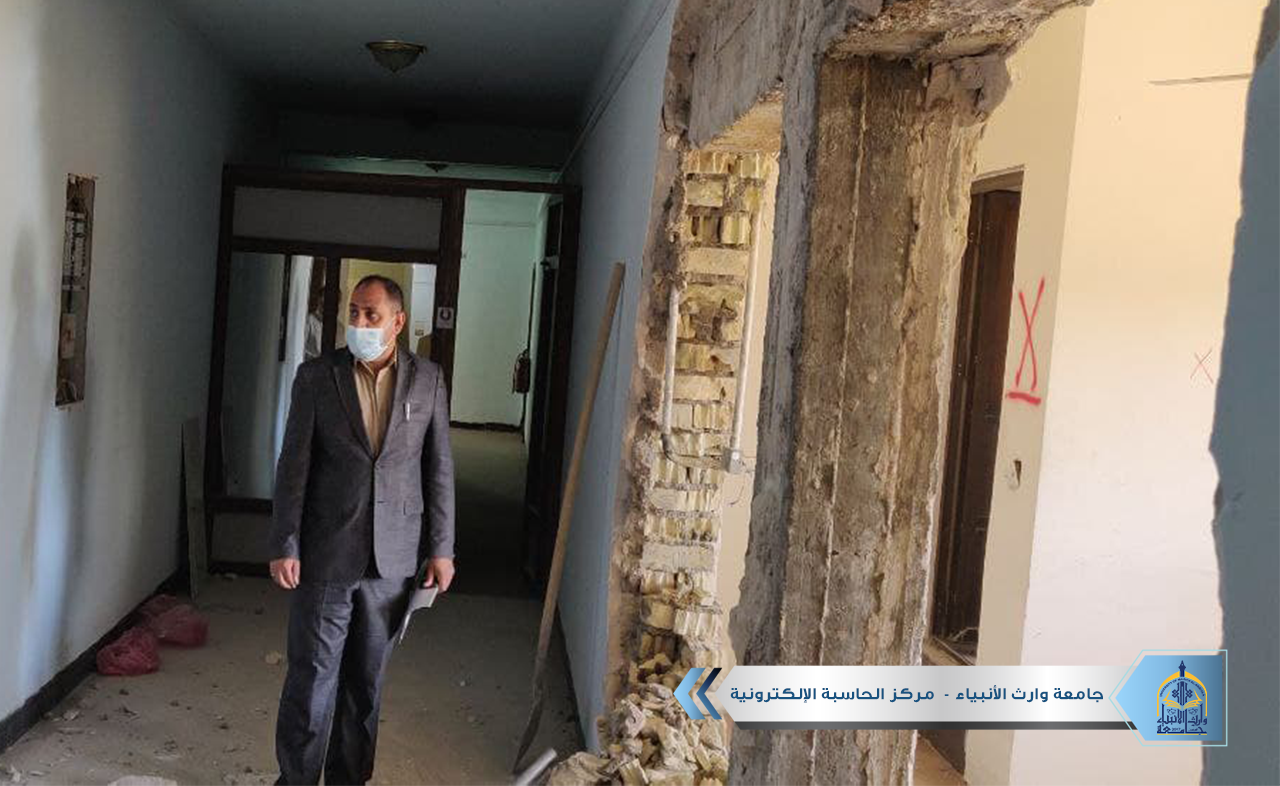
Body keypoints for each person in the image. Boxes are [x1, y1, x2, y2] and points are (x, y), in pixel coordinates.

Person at [269, 274, 455, 785]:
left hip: (392, 560)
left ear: (398, 322)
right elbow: (293, 466)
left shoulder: (428, 380)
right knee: (311, 680)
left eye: (372, 314)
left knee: (365, 684)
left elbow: (438, 468)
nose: (359, 323)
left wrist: (442, 548)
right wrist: (285, 542)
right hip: (325, 552)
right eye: (354, 312)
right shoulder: (317, 376)